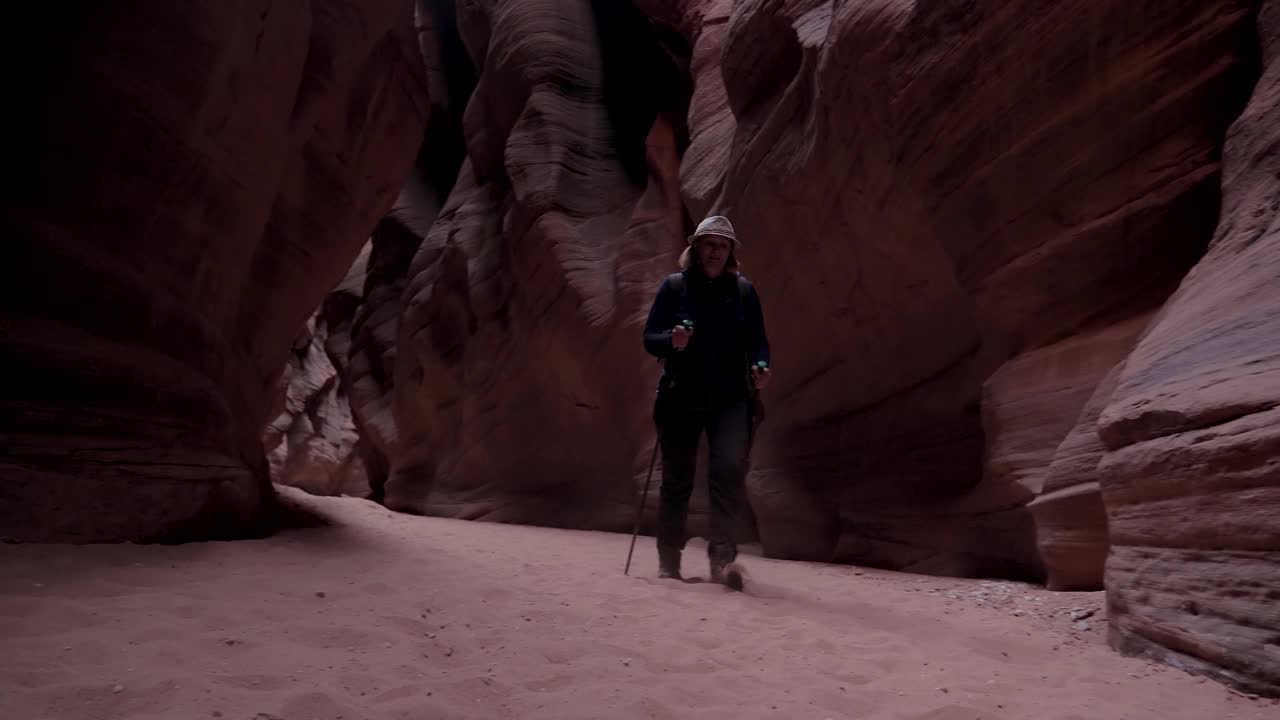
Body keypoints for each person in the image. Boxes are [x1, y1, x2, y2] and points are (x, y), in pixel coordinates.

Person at [642, 215, 771, 587]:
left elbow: (759, 341)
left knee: (728, 473)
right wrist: (672, 342)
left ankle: (722, 562)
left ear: (731, 251)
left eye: (722, 245)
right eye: (709, 243)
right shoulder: (674, 288)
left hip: (730, 399)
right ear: (695, 246)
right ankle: (669, 561)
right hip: (680, 396)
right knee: (677, 479)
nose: (715, 251)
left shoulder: (744, 292)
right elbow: (650, 338)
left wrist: (762, 366)